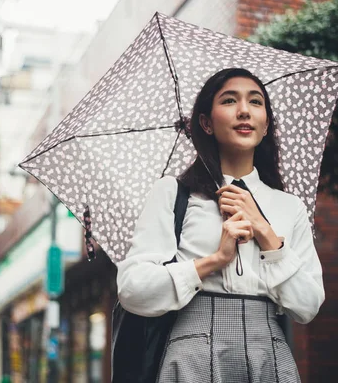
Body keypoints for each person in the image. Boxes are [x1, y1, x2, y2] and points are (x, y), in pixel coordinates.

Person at [116, 68, 324, 382]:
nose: (244, 110)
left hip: (269, 350)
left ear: (266, 124)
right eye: (229, 100)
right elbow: (132, 289)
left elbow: (308, 306)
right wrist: (215, 261)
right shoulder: (174, 193)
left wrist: (266, 234)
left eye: (255, 102)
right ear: (206, 123)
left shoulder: (288, 206)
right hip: (192, 351)